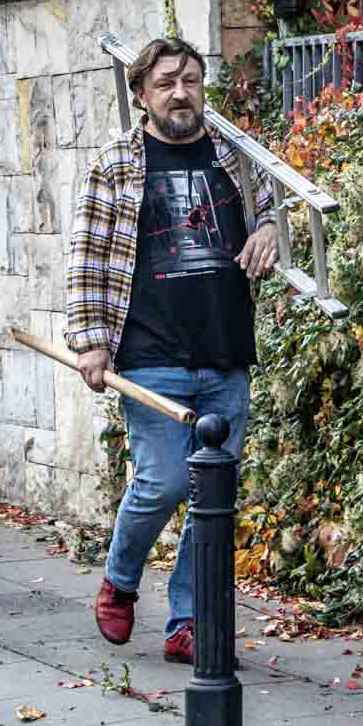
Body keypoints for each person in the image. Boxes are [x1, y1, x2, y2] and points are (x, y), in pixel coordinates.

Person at [64, 37, 277, 663]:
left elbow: (275, 208)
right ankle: (121, 577)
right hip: (150, 351)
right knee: (159, 483)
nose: (180, 92)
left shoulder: (235, 155)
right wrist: (91, 344)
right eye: (165, 83)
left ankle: (190, 621)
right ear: (141, 95)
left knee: (214, 495)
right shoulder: (116, 165)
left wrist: (267, 228)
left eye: (190, 79)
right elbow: (87, 257)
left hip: (225, 350)